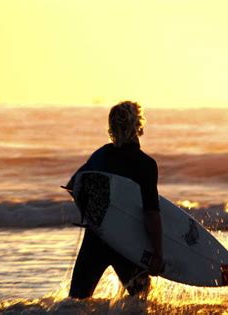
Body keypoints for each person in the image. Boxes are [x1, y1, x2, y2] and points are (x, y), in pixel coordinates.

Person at [65, 101, 163, 299]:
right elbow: (151, 214)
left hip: (96, 239)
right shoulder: (145, 164)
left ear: (111, 128)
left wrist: (93, 214)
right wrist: (158, 254)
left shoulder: (100, 155)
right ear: (139, 126)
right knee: (140, 302)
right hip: (127, 243)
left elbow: (74, 185)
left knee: (75, 302)